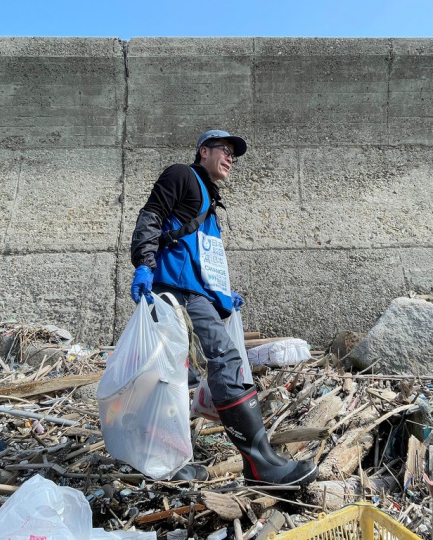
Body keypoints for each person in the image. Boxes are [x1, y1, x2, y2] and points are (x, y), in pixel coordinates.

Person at [130, 129, 318, 487]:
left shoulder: (209, 199)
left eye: (234, 153)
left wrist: (223, 294)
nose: (230, 158)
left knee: (172, 377)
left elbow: (201, 257)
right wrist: (144, 263)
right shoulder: (181, 175)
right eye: (224, 150)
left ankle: (165, 464)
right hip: (177, 292)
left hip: (195, 293)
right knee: (226, 362)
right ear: (203, 151)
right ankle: (262, 465)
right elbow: (151, 217)